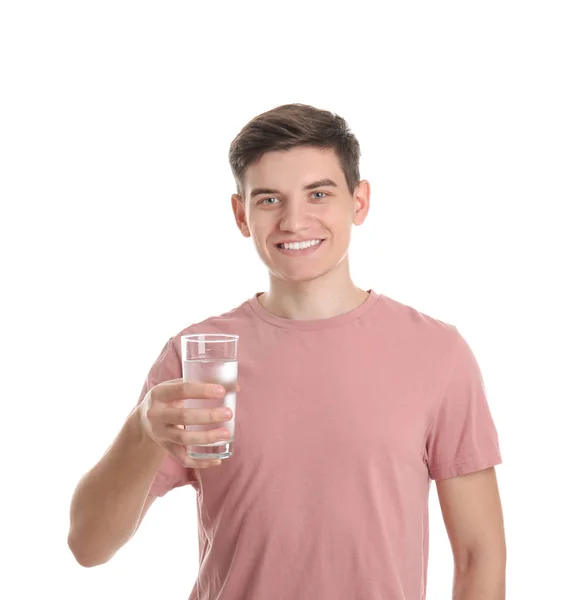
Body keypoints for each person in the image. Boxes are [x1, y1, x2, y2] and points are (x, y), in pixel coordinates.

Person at [68, 103, 506, 600]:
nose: (295, 221)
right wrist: (143, 429)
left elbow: (478, 554)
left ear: (358, 202)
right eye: (270, 199)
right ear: (241, 215)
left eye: (318, 193)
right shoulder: (198, 358)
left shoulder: (436, 353)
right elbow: (88, 545)